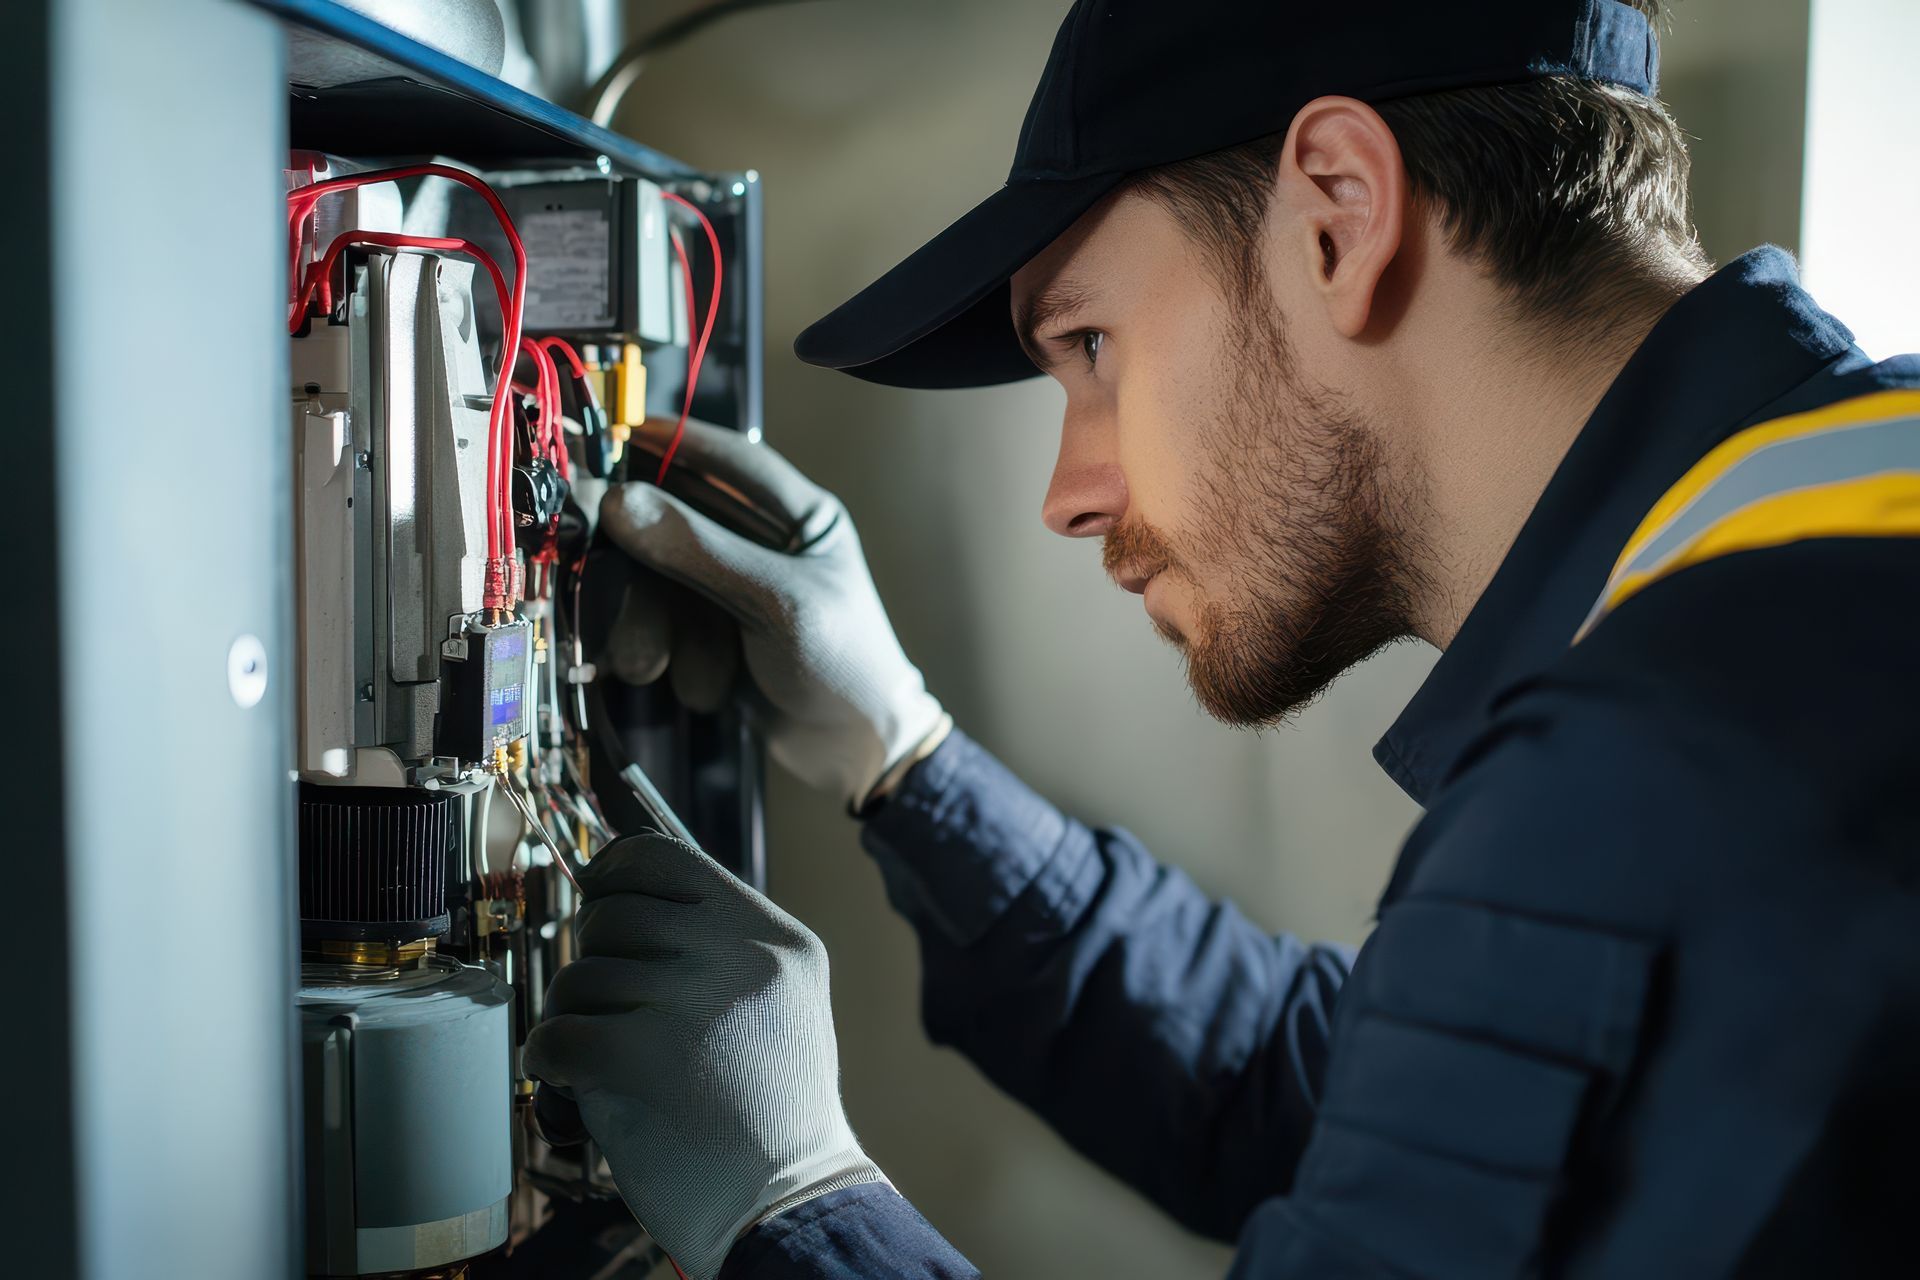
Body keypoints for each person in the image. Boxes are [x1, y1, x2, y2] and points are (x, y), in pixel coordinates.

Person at [523, 0, 1920, 1275]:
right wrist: (902, 755)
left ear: (1340, 212)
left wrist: (796, 1210)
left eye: (1090, 346)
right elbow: (1346, 1099)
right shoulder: (1832, 543)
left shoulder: (1646, 776)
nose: (1071, 494)